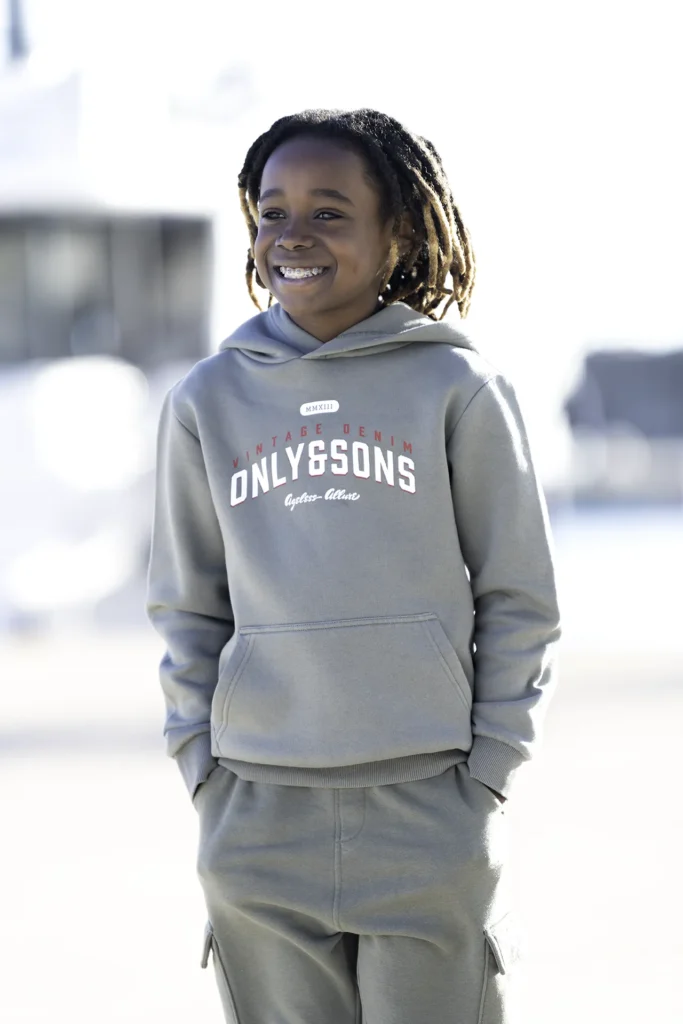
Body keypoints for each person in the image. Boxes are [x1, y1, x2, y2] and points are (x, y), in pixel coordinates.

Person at [146, 108, 561, 1024]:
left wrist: (487, 772)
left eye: (329, 212)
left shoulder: (459, 388)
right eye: (271, 212)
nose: (292, 234)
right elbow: (186, 605)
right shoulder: (206, 400)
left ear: (396, 232)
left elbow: (519, 598)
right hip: (256, 810)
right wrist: (203, 772)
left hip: (430, 803)